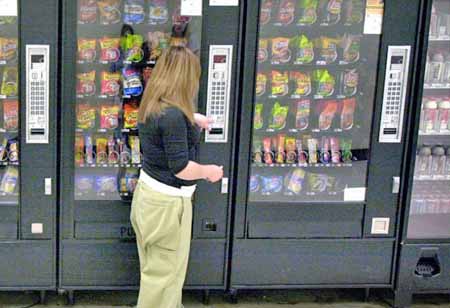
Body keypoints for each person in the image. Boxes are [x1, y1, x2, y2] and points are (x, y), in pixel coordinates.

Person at [130, 43, 224, 308]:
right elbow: (181, 167)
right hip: (167, 208)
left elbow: (167, 123)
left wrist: (192, 118)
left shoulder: (153, 104)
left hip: (150, 199)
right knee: (164, 279)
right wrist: (209, 172)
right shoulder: (172, 116)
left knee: (158, 273)